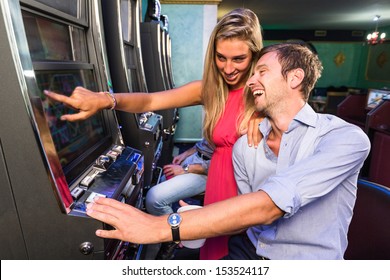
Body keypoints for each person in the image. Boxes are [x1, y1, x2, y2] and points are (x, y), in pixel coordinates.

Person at [84, 43, 371, 259]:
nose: (249, 81)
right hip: (246, 252)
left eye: (261, 72)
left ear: (295, 78)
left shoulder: (343, 138)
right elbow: (247, 218)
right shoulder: (246, 146)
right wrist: (197, 218)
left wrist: (162, 226)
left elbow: (269, 206)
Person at [45, 8, 263, 260]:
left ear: (255, 56)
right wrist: (105, 99)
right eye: (221, 57)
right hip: (217, 183)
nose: (228, 68)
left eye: (239, 59)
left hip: (246, 192)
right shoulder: (211, 90)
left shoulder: (264, 95)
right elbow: (150, 100)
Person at [146, 139, 213, 259]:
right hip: (197, 158)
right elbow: (206, 143)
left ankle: (174, 238)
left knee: (155, 198)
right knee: (162, 181)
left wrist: (186, 169)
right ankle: (171, 230)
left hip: (209, 169)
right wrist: (186, 154)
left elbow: (225, 159)